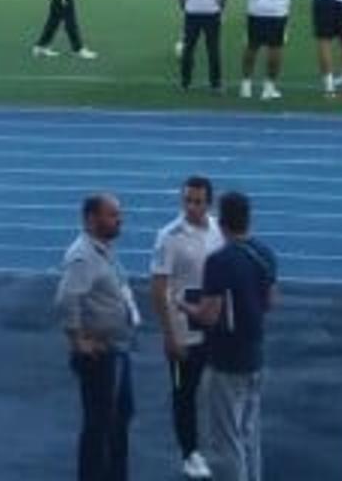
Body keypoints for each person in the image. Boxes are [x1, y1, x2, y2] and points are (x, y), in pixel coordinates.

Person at [182, 191, 279, 481]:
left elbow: (208, 315)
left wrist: (181, 304)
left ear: (221, 222)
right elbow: (271, 302)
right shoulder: (265, 254)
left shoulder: (219, 261)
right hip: (255, 355)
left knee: (226, 441)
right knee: (249, 435)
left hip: (226, 360)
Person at [57, 193, 140, 481]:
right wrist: (78, 341)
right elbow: (67, 299)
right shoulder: (83, 257)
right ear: (92, 219)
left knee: (119, 419)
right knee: (100, 425)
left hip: (117, 348)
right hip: (102, 354)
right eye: (113, 215)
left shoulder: (102, 249)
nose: (120, 220)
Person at [150, 178, 225, 480]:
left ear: (209, 203)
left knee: (217, 389)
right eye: (187, 200)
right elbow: (158, 288)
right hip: (183, 329)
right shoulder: (168, 237)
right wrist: (169, 334)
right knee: (184, 391)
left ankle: (217, 442)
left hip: (215, 325)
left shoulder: (219, 231)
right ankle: (190, 452)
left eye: (198, 201)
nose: (192, 207)